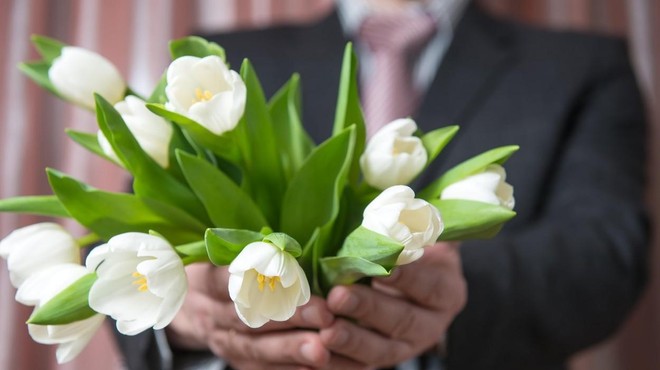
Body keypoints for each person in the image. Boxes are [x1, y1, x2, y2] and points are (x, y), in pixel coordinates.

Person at [113, 0, 650, 369]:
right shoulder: (217, 64)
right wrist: (183, 311)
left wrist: (455, 292)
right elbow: (118, 240)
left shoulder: (579, 67)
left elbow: (606, 255)